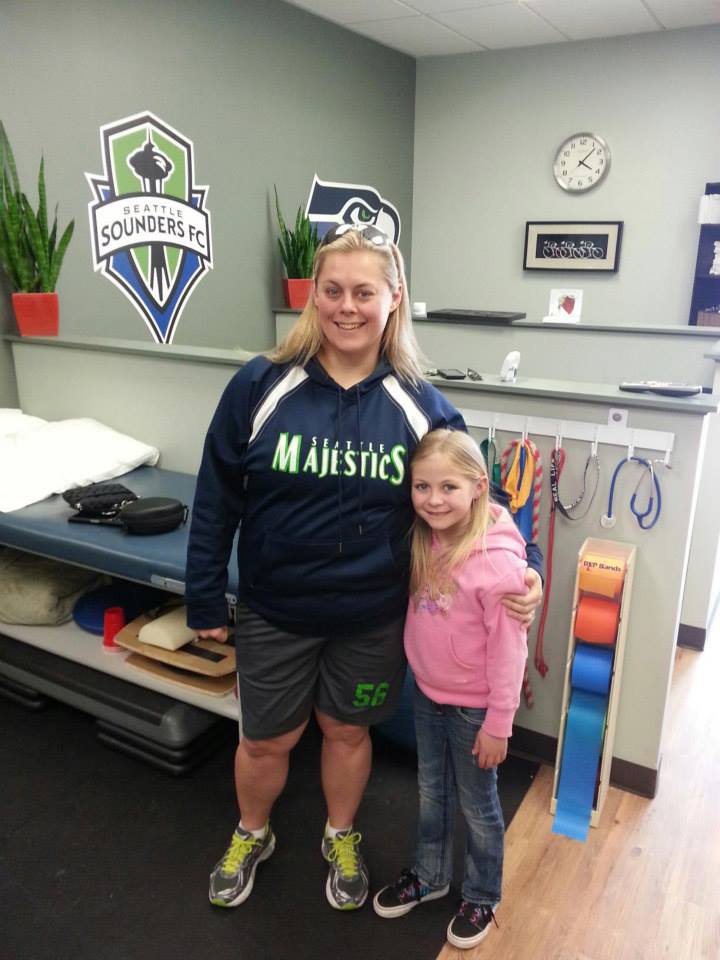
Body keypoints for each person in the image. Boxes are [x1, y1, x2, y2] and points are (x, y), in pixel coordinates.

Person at [184, 223, 543, 913]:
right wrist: (204, 597)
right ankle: (251, 831)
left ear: (394, 298)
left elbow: (479, 501)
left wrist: (523, 569)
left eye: (364, 292)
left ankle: (339, 832)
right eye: (333, 291)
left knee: (348, 731)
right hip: (275, 608)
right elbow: (216, 495)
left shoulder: (420, 404)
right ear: (313, 296)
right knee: (266, 740)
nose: (348, 307)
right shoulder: (260, 386)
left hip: (372, 617)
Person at [373, 428, 528, 949]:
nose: (433, 500)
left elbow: (511, 652)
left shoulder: (499, 564)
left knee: (478, 805)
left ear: (479, 487)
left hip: (474, 709)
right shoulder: (425, 537)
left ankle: (483, 894)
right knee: (430, 791)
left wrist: (498, 725)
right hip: (428, 692)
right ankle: (431, 875)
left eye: (448, 488)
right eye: (422, 487)